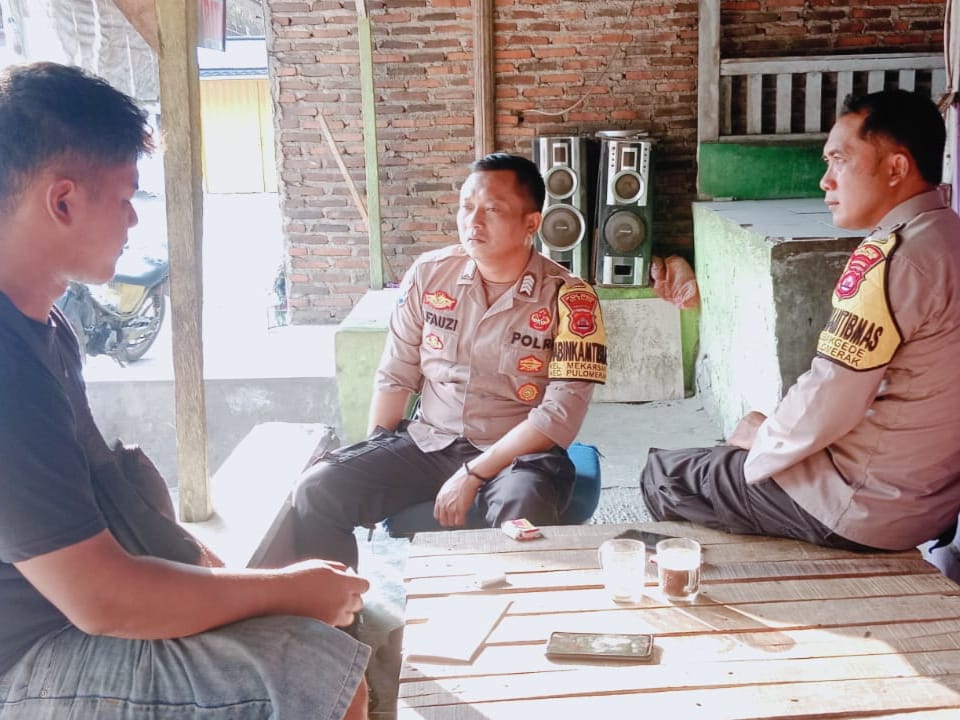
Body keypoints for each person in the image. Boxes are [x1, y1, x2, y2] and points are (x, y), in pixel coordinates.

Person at [0, 62, 370, 719]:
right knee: (316, 676)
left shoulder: (45, 328)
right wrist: (286, 590)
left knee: (336, 647)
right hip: (26, 659)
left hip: (68, 620)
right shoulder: (7, 365)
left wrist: (244, 581)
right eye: (125, 199)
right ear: (63, 202)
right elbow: (101, 599)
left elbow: (114, 505)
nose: (131, 222)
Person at [641, 89, 960, 553]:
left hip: (861, 504)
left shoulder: (891, 259)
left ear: (896, 168)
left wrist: (761, 440)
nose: (825, 181)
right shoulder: (948, 236)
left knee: (666, 475)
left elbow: (831, 397)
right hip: (929, 501)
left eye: (839, 161)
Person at [292, 153, 607, 568]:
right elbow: (396, 375)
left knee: (523, 513)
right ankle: (335, 606)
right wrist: (373, 453)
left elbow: (559, 416)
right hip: (428, 442)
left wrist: (473, 474)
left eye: (492, 210)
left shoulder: (572, 298)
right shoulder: (429, 275)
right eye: (466, 207)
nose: (473, 222)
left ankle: (513, 608)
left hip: (517, 456)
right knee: (318, 489)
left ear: (531, 223)